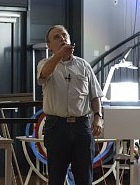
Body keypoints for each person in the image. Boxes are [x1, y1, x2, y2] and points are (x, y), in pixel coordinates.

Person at [37, 25, 104, 185]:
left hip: (81, 126)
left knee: (84, 177)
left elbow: (95, 95)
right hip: (56, 126)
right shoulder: (44, 64)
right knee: (56, 177)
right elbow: (44, 75)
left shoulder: (83, 65)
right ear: (49, 46)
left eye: (64, 36)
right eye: (56, 37)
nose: (62, 39)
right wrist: (59, 56)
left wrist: (98, 117)